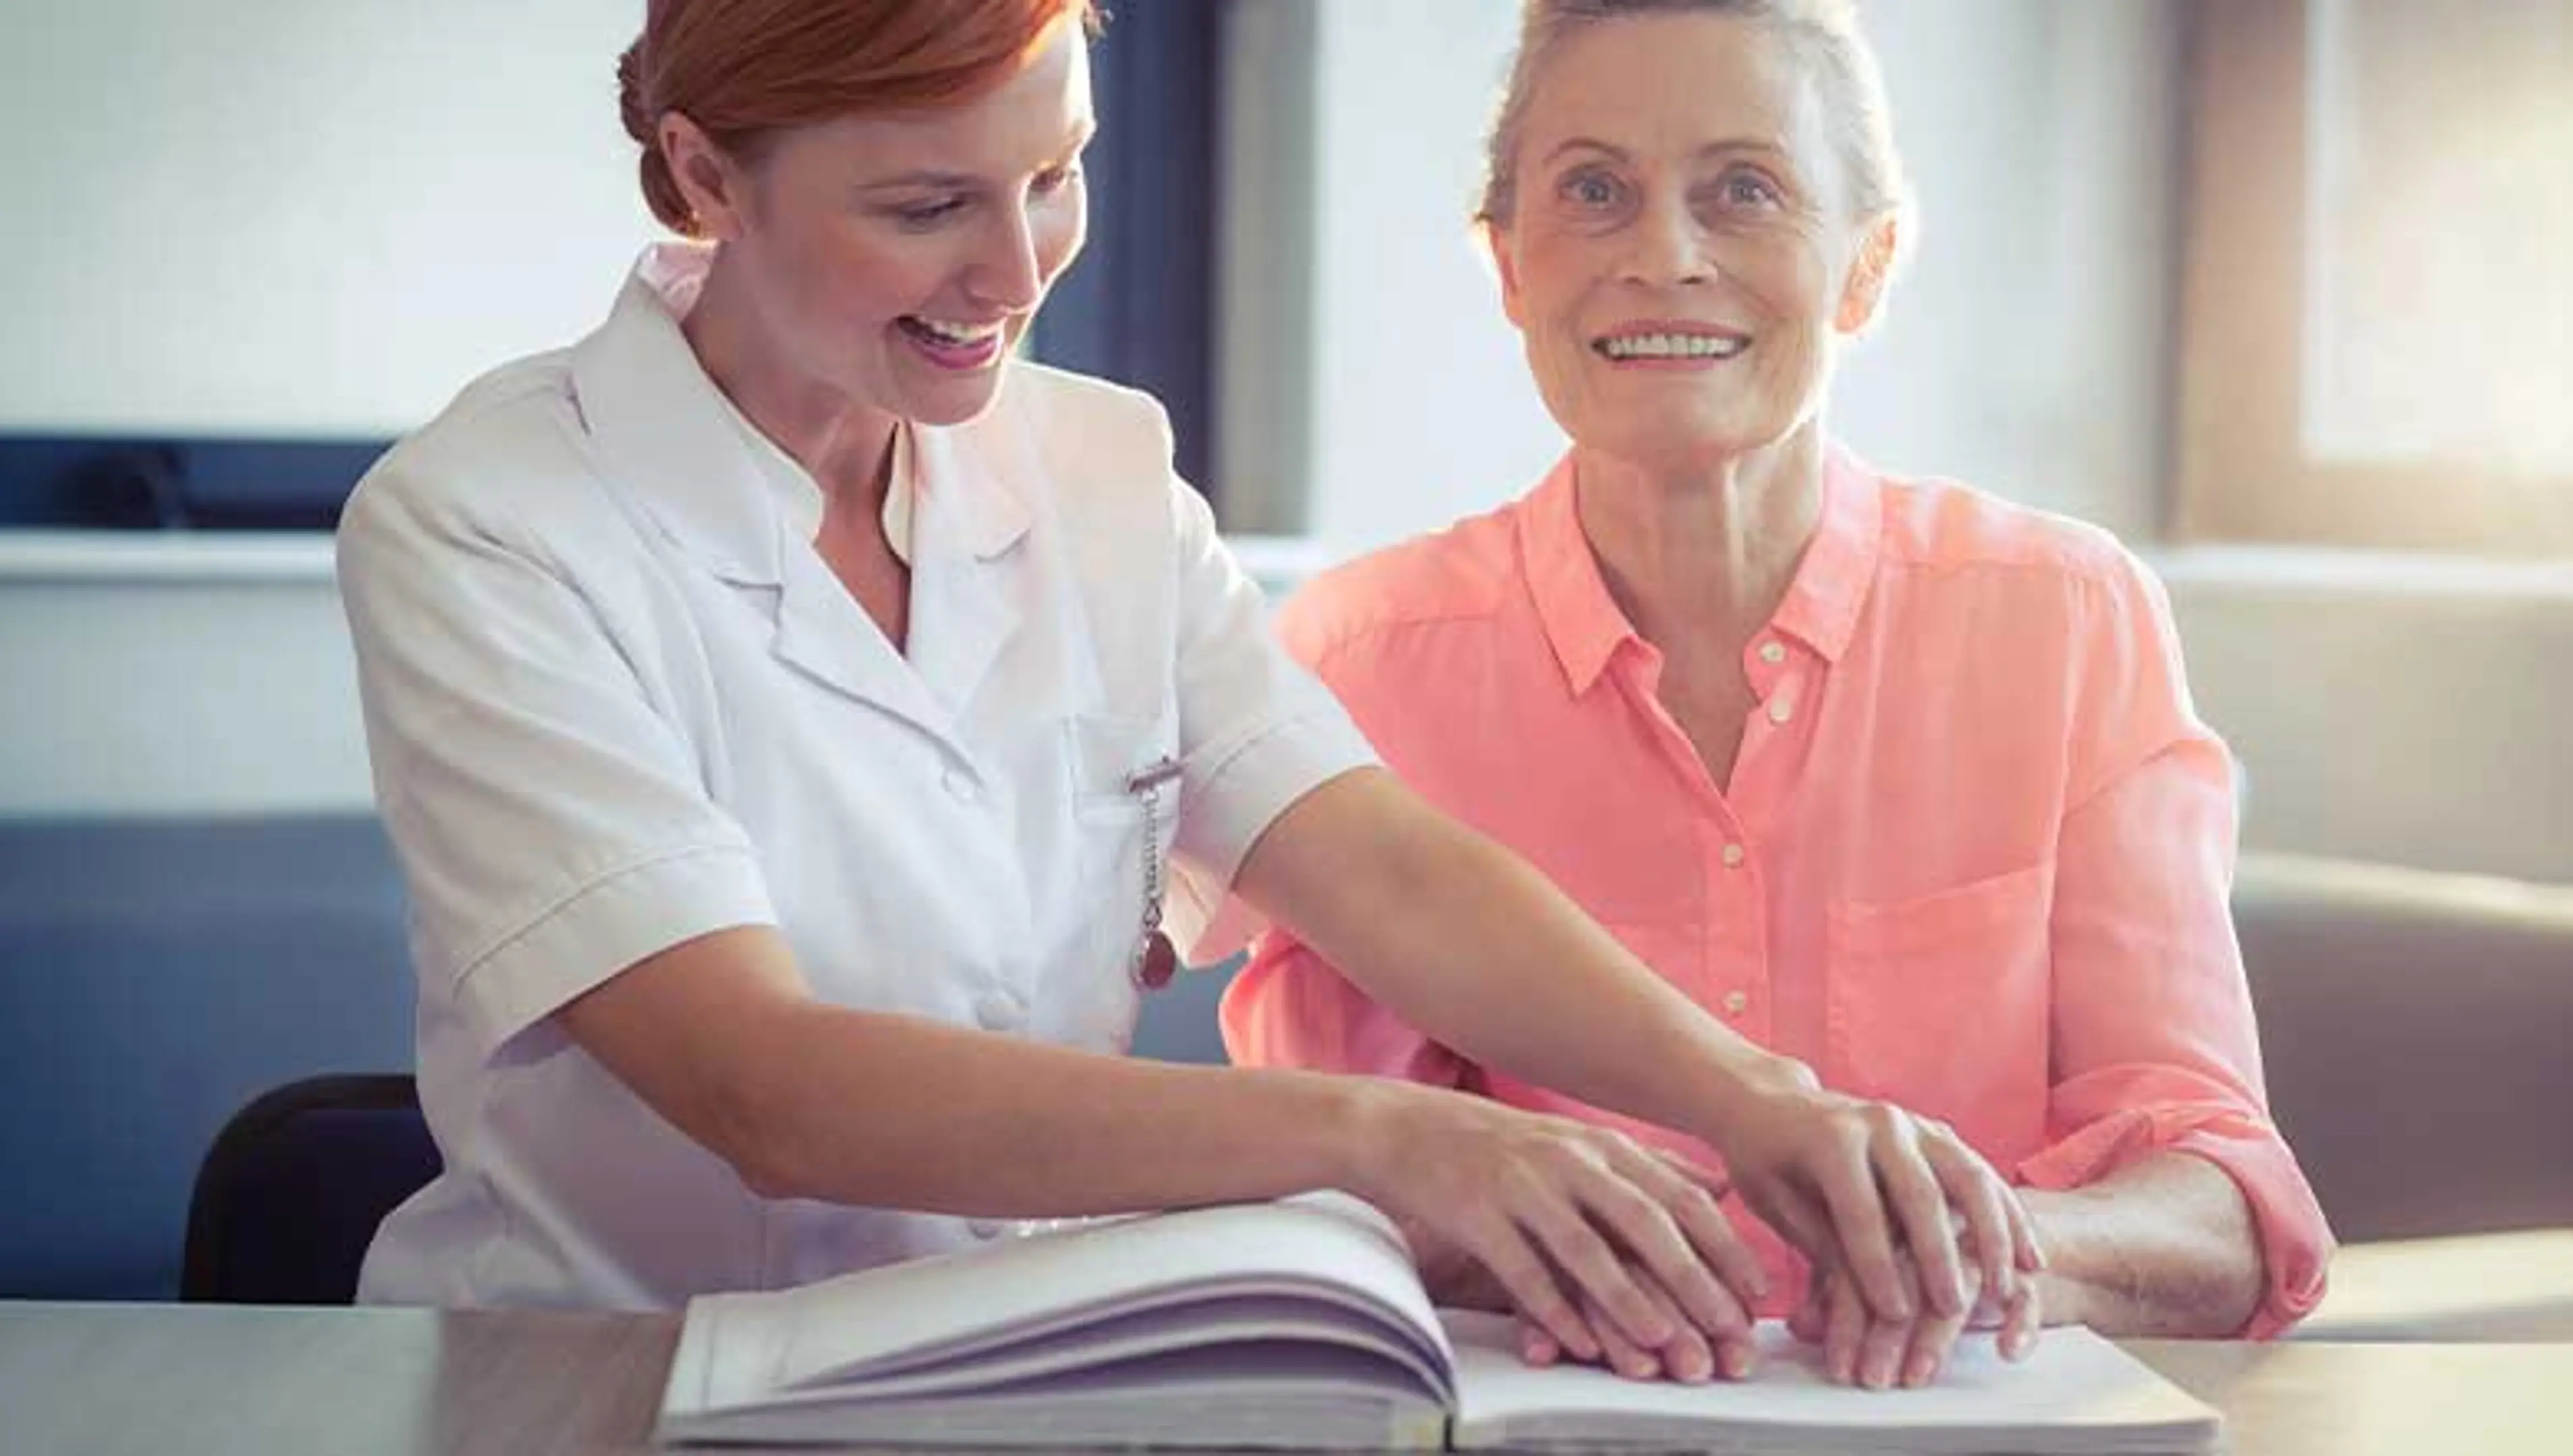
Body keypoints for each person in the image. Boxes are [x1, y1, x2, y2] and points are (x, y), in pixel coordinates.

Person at [335, 0, 2039, 1383]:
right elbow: (763, 1088)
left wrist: (1761, 1105)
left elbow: (1374, 863)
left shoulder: (1099, 475)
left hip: (1034, 1376)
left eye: (1056, 177)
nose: (1016, 273)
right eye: (926, 206)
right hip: (609, 1384)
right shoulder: (492, 524)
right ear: (708, 176)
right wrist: (1385, 1143)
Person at [1219, 0, 2335, 1391]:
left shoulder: (2069, 617)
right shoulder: (1355, 656)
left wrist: (1982, 1252)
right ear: (1508, 267)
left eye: (1744, 190)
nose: (1663, 256)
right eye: (1593, 191)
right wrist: (1539, 1246)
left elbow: (2228, 1203)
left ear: (1865, 269)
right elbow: (1332, 1196)